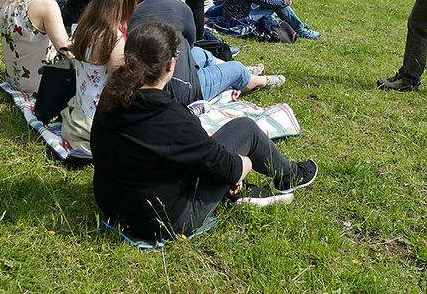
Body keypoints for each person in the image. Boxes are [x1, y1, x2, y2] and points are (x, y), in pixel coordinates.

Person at [90, 19, 319, 241]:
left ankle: (244, 190)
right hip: (165, 221)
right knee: (245, 128)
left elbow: (156, 150)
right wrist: (243, 165)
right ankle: (289, 175)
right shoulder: (171, 117)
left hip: (113, 207)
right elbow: (227, 167)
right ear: (170, 65)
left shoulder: (110, 96)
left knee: (211, 158)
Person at [131, 0, 284, 104]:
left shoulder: (136, 12)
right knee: (236, 69)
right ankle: (260, 81)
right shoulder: (181, 9)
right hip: (182, 89)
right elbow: (190, 41)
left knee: (201, 53)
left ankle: (238, 70)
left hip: (150, 76)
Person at [60, 0, 139, 154]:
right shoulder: (114, 38)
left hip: (80, 112)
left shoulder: (85, 26)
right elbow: (119, 88)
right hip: (98, 122)